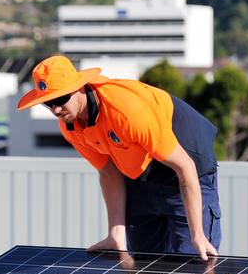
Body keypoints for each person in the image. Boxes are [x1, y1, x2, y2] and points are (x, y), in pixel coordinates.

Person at [17, 55, 221, 261]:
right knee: (143, 268)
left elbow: (185, 166)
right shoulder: (70, 126)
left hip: (187, 167)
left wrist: (197, 235)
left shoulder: (127, 113)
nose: (56, 109)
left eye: (60, 99)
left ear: (79, 87)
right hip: (141, 175)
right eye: (48, 103)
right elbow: (108, 170)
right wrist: (115, 233)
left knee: (192, 264)